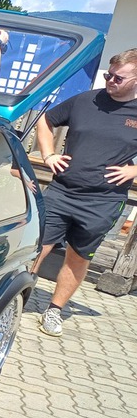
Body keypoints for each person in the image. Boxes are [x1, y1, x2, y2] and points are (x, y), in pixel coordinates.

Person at [30, 48, 137, 336]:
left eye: (118, 78)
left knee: (78, 256)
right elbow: (45, 120)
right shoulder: (85, 100)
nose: (110, 80)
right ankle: (18, 295)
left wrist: (134, 171)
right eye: (108, 75)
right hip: (62, 192)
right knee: (37, 246)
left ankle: (54, 310)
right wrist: (49, 154)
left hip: (103, 201)